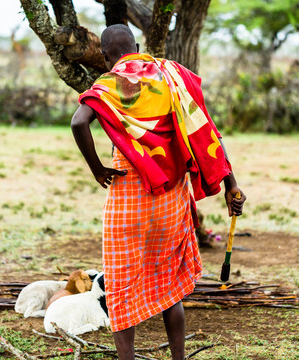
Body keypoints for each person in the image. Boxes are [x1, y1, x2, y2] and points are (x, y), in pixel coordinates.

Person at [71, 24, 246, 360]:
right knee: (170, 285)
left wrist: (97, 169)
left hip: (129, 198)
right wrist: (231, 183)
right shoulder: (171, 74)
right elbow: (204, 129)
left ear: (107, 57)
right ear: (136, 45)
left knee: (121, 287)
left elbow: (79, 122)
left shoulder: (110, 83)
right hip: (171, 198)